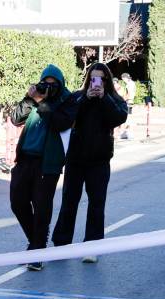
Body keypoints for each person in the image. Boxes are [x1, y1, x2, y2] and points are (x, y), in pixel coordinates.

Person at [51, 62, 129, 263]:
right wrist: (85, 99)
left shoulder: (114, 99)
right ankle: (61, 245)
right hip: (76, 159)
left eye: (101, 79)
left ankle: (92, 246)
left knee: (96, 204)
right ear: (88, 79)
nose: (97, 83)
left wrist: (103, 99)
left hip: (100, 160)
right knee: (69, 202)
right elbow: (63, 118)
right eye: (94, 78)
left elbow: (119, 117)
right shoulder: (77, 96)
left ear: (107, 80)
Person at [8, 64, 77, 270]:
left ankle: (37, 250)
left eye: (53, 85)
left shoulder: (68, 99)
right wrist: (30, 99)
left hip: (48, 162)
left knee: (42, 207)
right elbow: (15, 119)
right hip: (25, 159)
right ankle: (36, 245)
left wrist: (44, 103)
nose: (48, 88)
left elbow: (61, 123)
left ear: (61, 84)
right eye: (45, 84)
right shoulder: (34, 97)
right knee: (17, 202)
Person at [118, 72, 137, 139]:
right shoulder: (132, 83)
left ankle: (128, 134)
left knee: (127, 118)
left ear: (125, 78)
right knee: (128, 117)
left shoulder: (130, 84)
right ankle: (126, 133)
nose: (123, 81)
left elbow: (129, 94)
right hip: (130, 101)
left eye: (123, 79)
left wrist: (122, 99)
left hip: (128, 101)